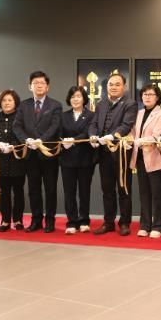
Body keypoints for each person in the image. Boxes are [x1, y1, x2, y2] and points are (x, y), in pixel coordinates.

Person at [88, 73, 137, 236]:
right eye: (111, 84)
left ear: (124, 87)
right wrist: (92, 135)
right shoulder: (101, 104)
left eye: (117, 84)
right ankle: (108, 222)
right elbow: (94, 123)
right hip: (103, 154)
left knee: (124, 189)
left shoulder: (130, 104)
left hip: (121, 153)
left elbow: (126, 125)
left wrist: (112, 136)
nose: (113, 87)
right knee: (107, 190)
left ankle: (124, 223)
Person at [13, 71, 62, 233]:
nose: (39, 85)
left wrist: (41, 140)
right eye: (35, 83)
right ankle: (36, 220)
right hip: (30, 154)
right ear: (30, 86)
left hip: (48, 153)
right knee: (33, 189)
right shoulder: (23, 105)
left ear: (47, 87)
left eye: (42, 83)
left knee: (50, 189)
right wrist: (26, 140)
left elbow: (55, 126)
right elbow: (17, 126)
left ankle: (50, 221)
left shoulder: (55, 105)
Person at [131, 84, 161, 238]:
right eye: (145, 94)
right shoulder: (139, 113)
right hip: (140, 157)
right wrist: (129, 140)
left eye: (151, 94)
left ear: (157, 97)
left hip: (154, 158)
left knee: (157, 193)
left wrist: (140, 140)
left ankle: (158, 226)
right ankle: (145, 225)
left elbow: (157, 135)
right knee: (144, 193)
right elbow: (133, 132)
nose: (147, 97)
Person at [59, 86, 95, 234]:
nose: (75, 99)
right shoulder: (63, 116)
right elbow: (59, 132)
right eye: (73, 96)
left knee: (84, 191)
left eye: (78, 96)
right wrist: (63, 140)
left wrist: (73, 140)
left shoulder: (91, 115)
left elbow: (88, 132)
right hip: (67, 159)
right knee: (69, 192)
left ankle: (84, 220)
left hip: (85, 159)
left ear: (84, 98)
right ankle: (71, 222)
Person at [0, 90, 27, 232]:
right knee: (4, 192)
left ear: (15, 102)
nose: (6, 103)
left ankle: (18, 220)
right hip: (1, 160)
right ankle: (5, 220)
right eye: (4, 100)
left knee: (18, 191)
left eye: (10, 100)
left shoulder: (20, 117)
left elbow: (23, 136)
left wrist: (12, 145)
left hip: (17, 160)